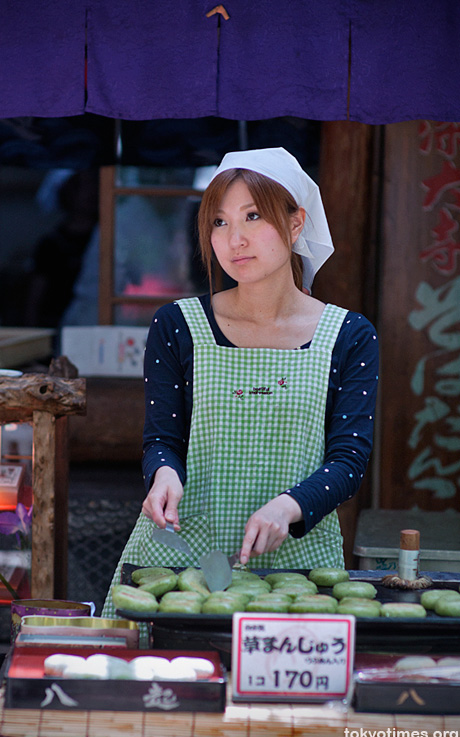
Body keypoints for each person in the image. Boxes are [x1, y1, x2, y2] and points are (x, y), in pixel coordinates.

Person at [102, 147, 379, 618]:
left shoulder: (349, 335)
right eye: (220, 222)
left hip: (297, 569)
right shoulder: (177, 325)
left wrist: (288, 508)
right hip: (178, 564)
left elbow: (349, 460)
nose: (235, 239)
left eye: (253, 217)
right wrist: (163, 474)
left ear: (296, 224)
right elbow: (162, 440)